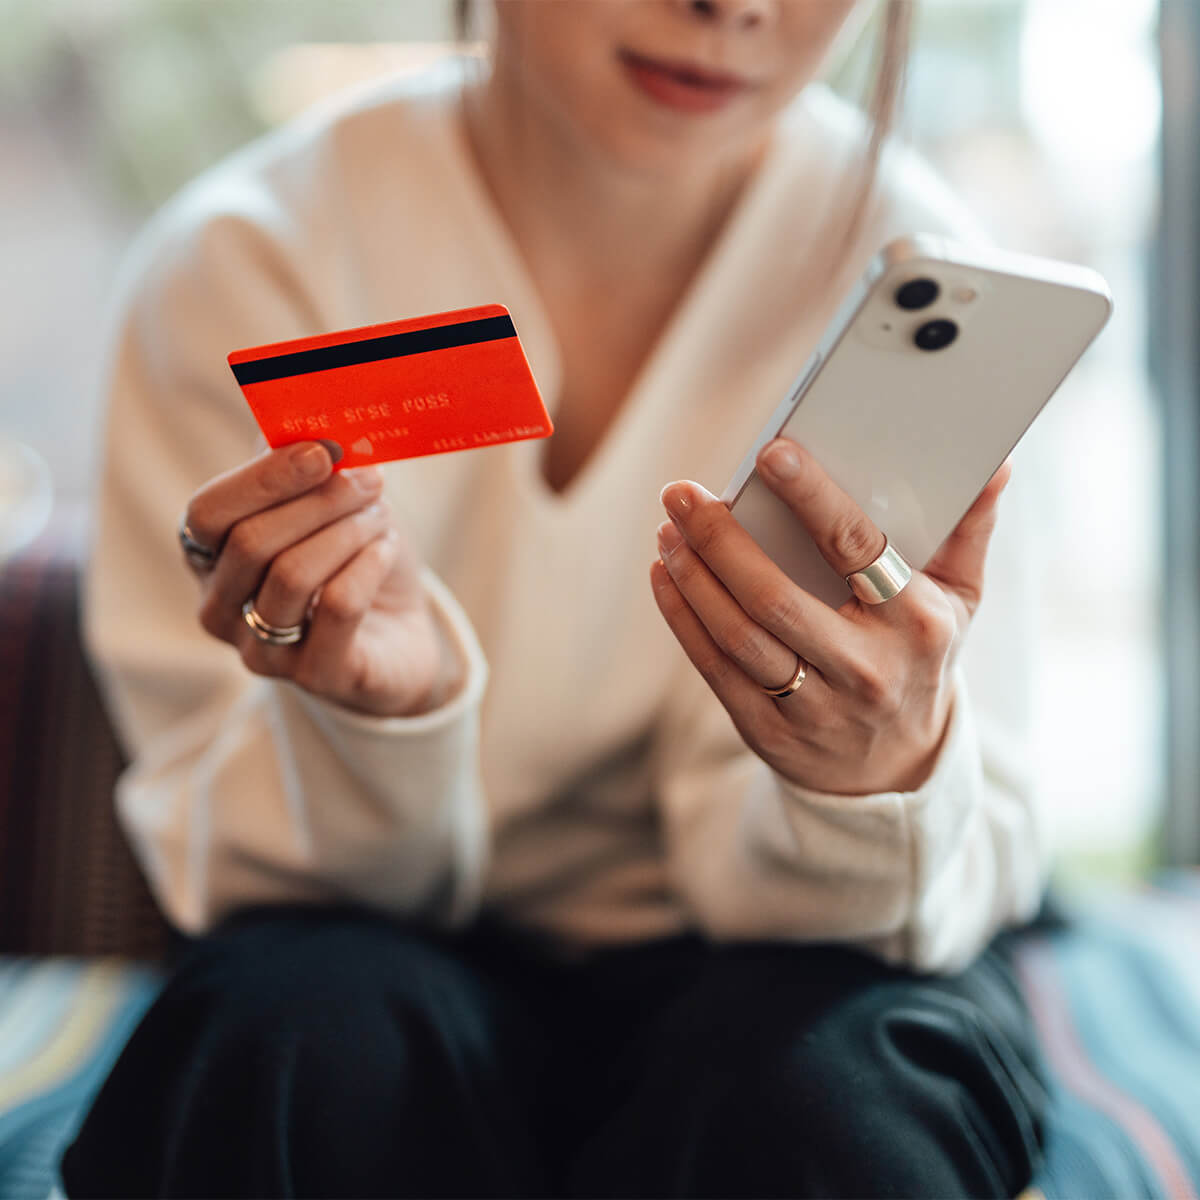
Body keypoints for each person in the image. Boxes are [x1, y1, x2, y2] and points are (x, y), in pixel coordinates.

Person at [62, 1, 1052, 1196]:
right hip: (372, 948)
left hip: (802, 967)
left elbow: (981, 852)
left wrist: (873, 779)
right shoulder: (251, 261)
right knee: (299, 1044)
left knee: (833, 1095)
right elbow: (221, 851)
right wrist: (375, 723)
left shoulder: (924, 280)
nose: (732, 7)